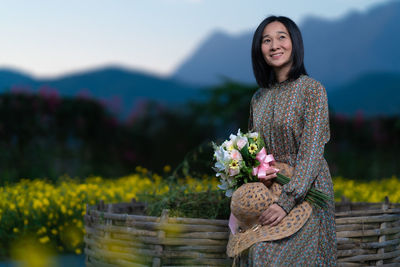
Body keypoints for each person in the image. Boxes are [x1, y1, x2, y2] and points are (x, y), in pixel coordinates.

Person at [240, 15, 337, 266]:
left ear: (295, 42)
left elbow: (312, 151)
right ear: (259, 50)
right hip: (270, 190)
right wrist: (255, 171)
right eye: (266, 40)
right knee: (247, 250)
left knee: (264, 252)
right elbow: (255, 148)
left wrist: (287, 201)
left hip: (306, 190)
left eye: (282, 37)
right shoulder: (258, 98)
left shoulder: (312, 90)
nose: (274, 46)